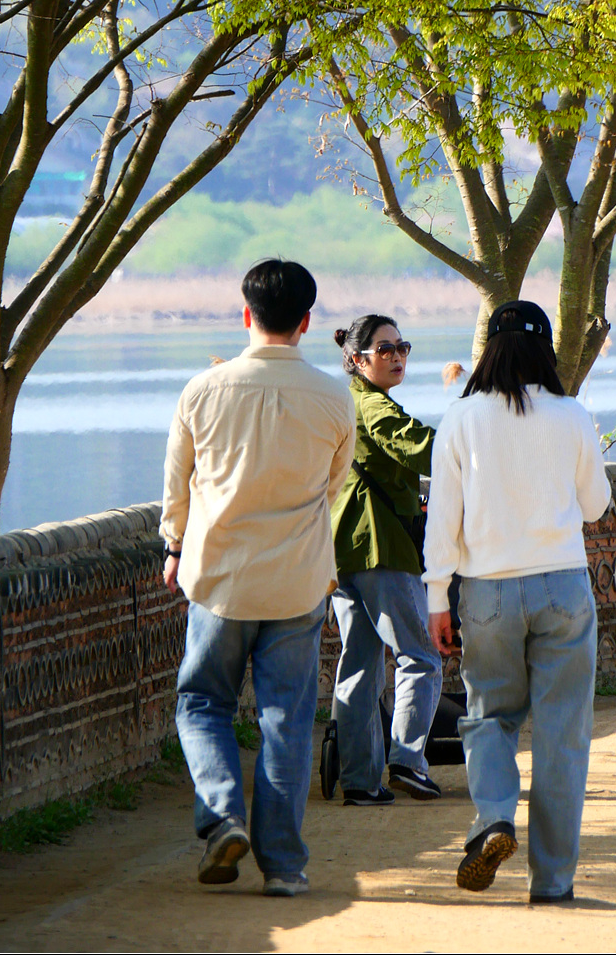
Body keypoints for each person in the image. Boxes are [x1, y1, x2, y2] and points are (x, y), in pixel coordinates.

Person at [161, 259, 355, 896]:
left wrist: (174, 545)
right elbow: (332, 488)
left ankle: (222, 817)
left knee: (203, 702)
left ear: (246, 314)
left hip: (219, 576)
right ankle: (285, 868)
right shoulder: (334, 397)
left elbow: (178, 485)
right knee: (286, 719)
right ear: (306, 321)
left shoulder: (202, 390)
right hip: (298, 580)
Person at [423, 300, 611, 905]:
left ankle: (494, 818)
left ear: (489, 352)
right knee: (563, 737)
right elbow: (595, 506)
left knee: (488, 717)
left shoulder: (461, 418)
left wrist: (437, 597)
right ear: (546, 351)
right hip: (563, 585)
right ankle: (552, 883)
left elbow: (442, 519)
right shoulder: (571, 414)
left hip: (487, 589)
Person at [329, 313, 444, 805]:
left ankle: (359, 780)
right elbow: (422, 449)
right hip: (382, 546)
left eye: (402, 347)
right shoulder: (374, 406)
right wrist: (472, 449)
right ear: (358, 360)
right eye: (384, 349)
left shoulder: (341, 403)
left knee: (360, 665)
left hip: (342, 548)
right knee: (420, 658)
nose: (397, 356)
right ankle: (407, 761)